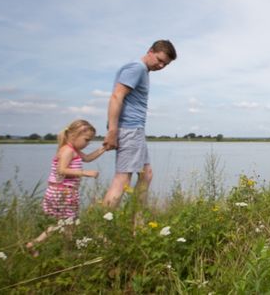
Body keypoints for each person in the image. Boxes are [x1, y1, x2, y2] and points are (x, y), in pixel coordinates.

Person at [102, 40, 177, 209]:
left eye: (165, 64)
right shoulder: (136, 68)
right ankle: (100, 228)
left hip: (135, 130)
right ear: (150, 51)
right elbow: (116, 97)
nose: (161, 65)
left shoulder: (143, 71)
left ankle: (137, 221)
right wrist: (112, 131)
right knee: (122, 179)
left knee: (146, 175)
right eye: (159, 60)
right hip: (129, 129)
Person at [26, 119, 107, 256]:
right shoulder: (68, 151)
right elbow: (61, 170)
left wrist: (103, 148)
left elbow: (87, 158)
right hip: (63, 192)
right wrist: (84, 173)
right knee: (68, 223)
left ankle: (36, 244)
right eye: (86, 140)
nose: (87, 144)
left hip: (59, 191)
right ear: (74, 135)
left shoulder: (72, 149)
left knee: (62, 223)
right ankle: (66, 251)